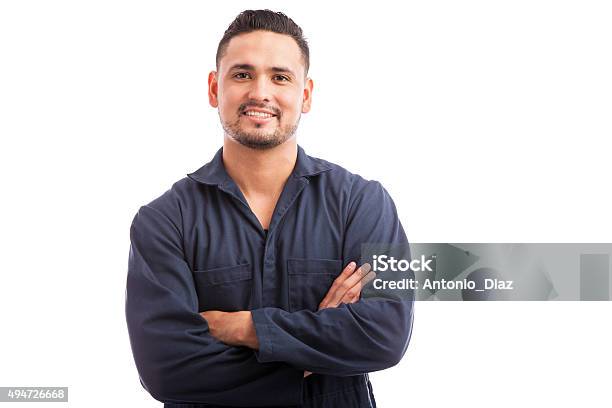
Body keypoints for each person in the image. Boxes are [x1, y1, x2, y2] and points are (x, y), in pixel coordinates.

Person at [126, 9, 414, 408]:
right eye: (242, 74)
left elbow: (385, 334)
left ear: (305, 95)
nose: (260, 92)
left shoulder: (363, 203)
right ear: (214, 88)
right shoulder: (163, 221)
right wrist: (310, 359)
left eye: (280, 77)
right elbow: (165, 367)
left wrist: (243, 327)